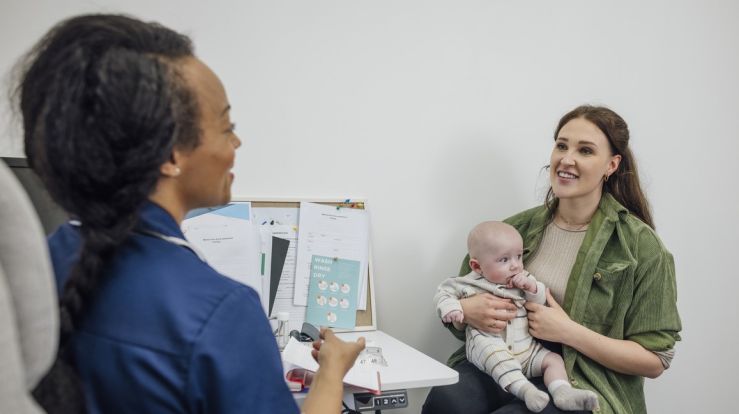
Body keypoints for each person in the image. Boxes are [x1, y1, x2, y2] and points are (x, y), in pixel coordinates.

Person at [16, 14, 364, 414]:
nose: (237, 141)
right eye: (226, 126)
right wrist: (333, 370)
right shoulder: (220, 313)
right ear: (170, 154)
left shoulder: (41, 263)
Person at [423, 105, 681, 414]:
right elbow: (459, 297)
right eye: (561, 145)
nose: (566, 159)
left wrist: (567, 331)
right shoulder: (514, 230)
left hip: (582, 379)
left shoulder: (641, 247)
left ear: (611, 165)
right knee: (446, 401)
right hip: (501, 360)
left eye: (585, 150)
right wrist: (467, 310)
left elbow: (656, 360)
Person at [434, 221, 598, 412]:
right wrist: (456, 308)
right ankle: (526, 390)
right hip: (490, 345)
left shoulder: (522, 279)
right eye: (504, 260)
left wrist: (532, 288)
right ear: (477, 266)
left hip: (527, 350)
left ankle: (562, 391)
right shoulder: (466, 283)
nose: (515, 266)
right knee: (497, 358)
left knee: (553, 360)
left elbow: (540, 299)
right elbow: (443, 294)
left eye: (519, 257)